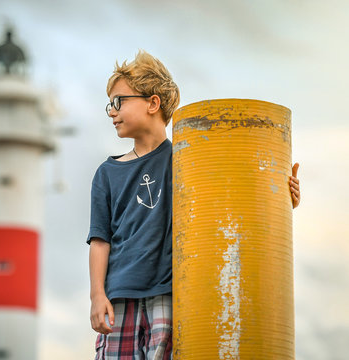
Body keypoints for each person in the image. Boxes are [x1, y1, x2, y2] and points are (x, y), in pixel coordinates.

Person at [86, 50, 301, 359]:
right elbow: (99, 240)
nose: (111, 111)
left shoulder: (188, 158)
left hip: (171, 295)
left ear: (153, 103)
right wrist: (97, 296)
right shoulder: (107, 173)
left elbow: (230, 205)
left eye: (119, 101)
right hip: (119, 296)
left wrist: (282, 198)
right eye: (110, 104)